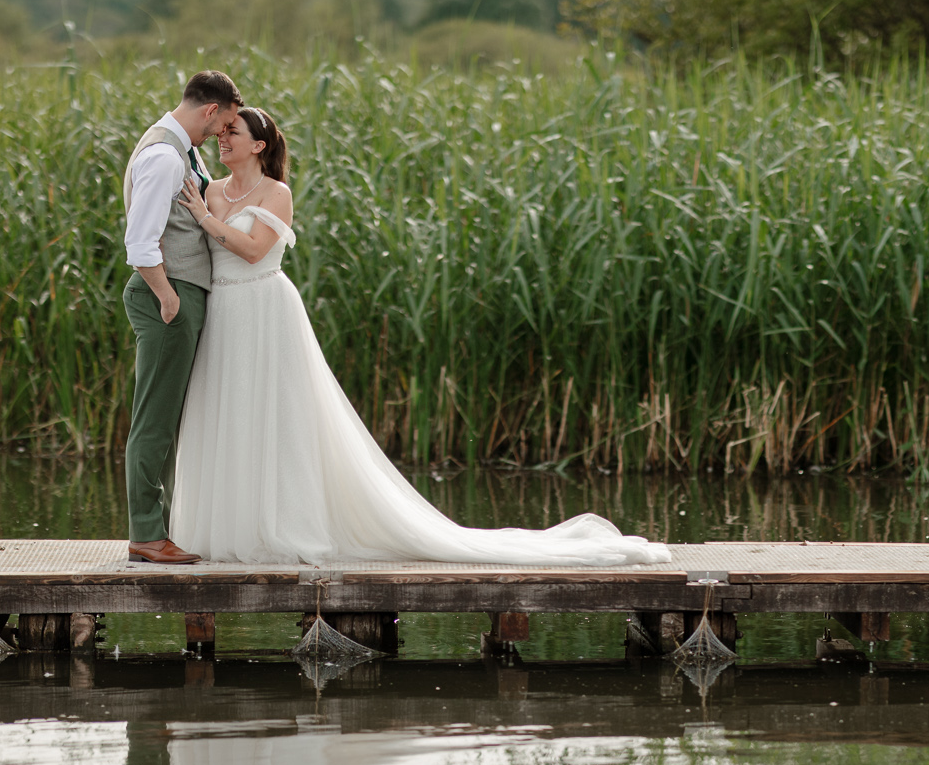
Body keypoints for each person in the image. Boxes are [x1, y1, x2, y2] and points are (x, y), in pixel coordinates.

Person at [167, 106, 669, 567]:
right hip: (225, 312)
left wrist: (207, 221)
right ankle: (230, 528)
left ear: (258, 144)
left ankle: (284, 526)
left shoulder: (276, 193)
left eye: (232, 132)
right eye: (221, 132)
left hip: (265, 307)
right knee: (230, 411)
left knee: (280, 417)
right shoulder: (210, 189)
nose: (221, 139)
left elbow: (255, 250)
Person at [121, 70, 243, 564]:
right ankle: (147, 535)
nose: (222, 134)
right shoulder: (163, 157)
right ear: (210, 110)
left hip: (178, 292)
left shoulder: (179, 152)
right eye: (225, 123)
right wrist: (167, 297)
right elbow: (139, 241)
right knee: (154, 419)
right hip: (167, 297)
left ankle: (160, 529)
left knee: (167, 417)